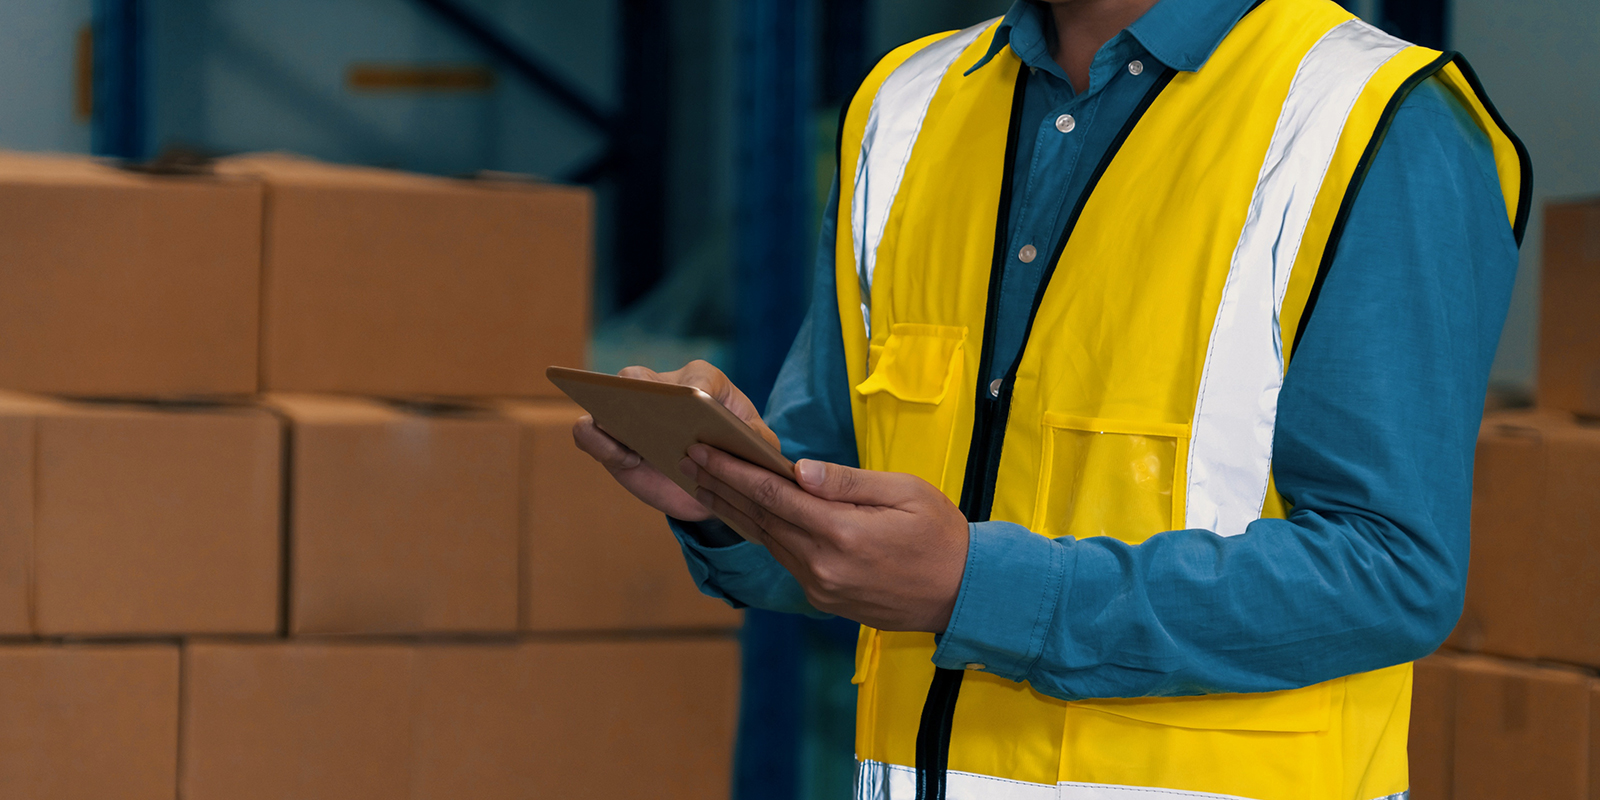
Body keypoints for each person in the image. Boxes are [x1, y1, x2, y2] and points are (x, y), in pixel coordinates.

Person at [575, 0, 1528, 796]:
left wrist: (973, 590)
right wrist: (730, 496)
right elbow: (842, 505)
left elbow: (1391, 572)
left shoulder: (1374, 121)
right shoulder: (904, 106)